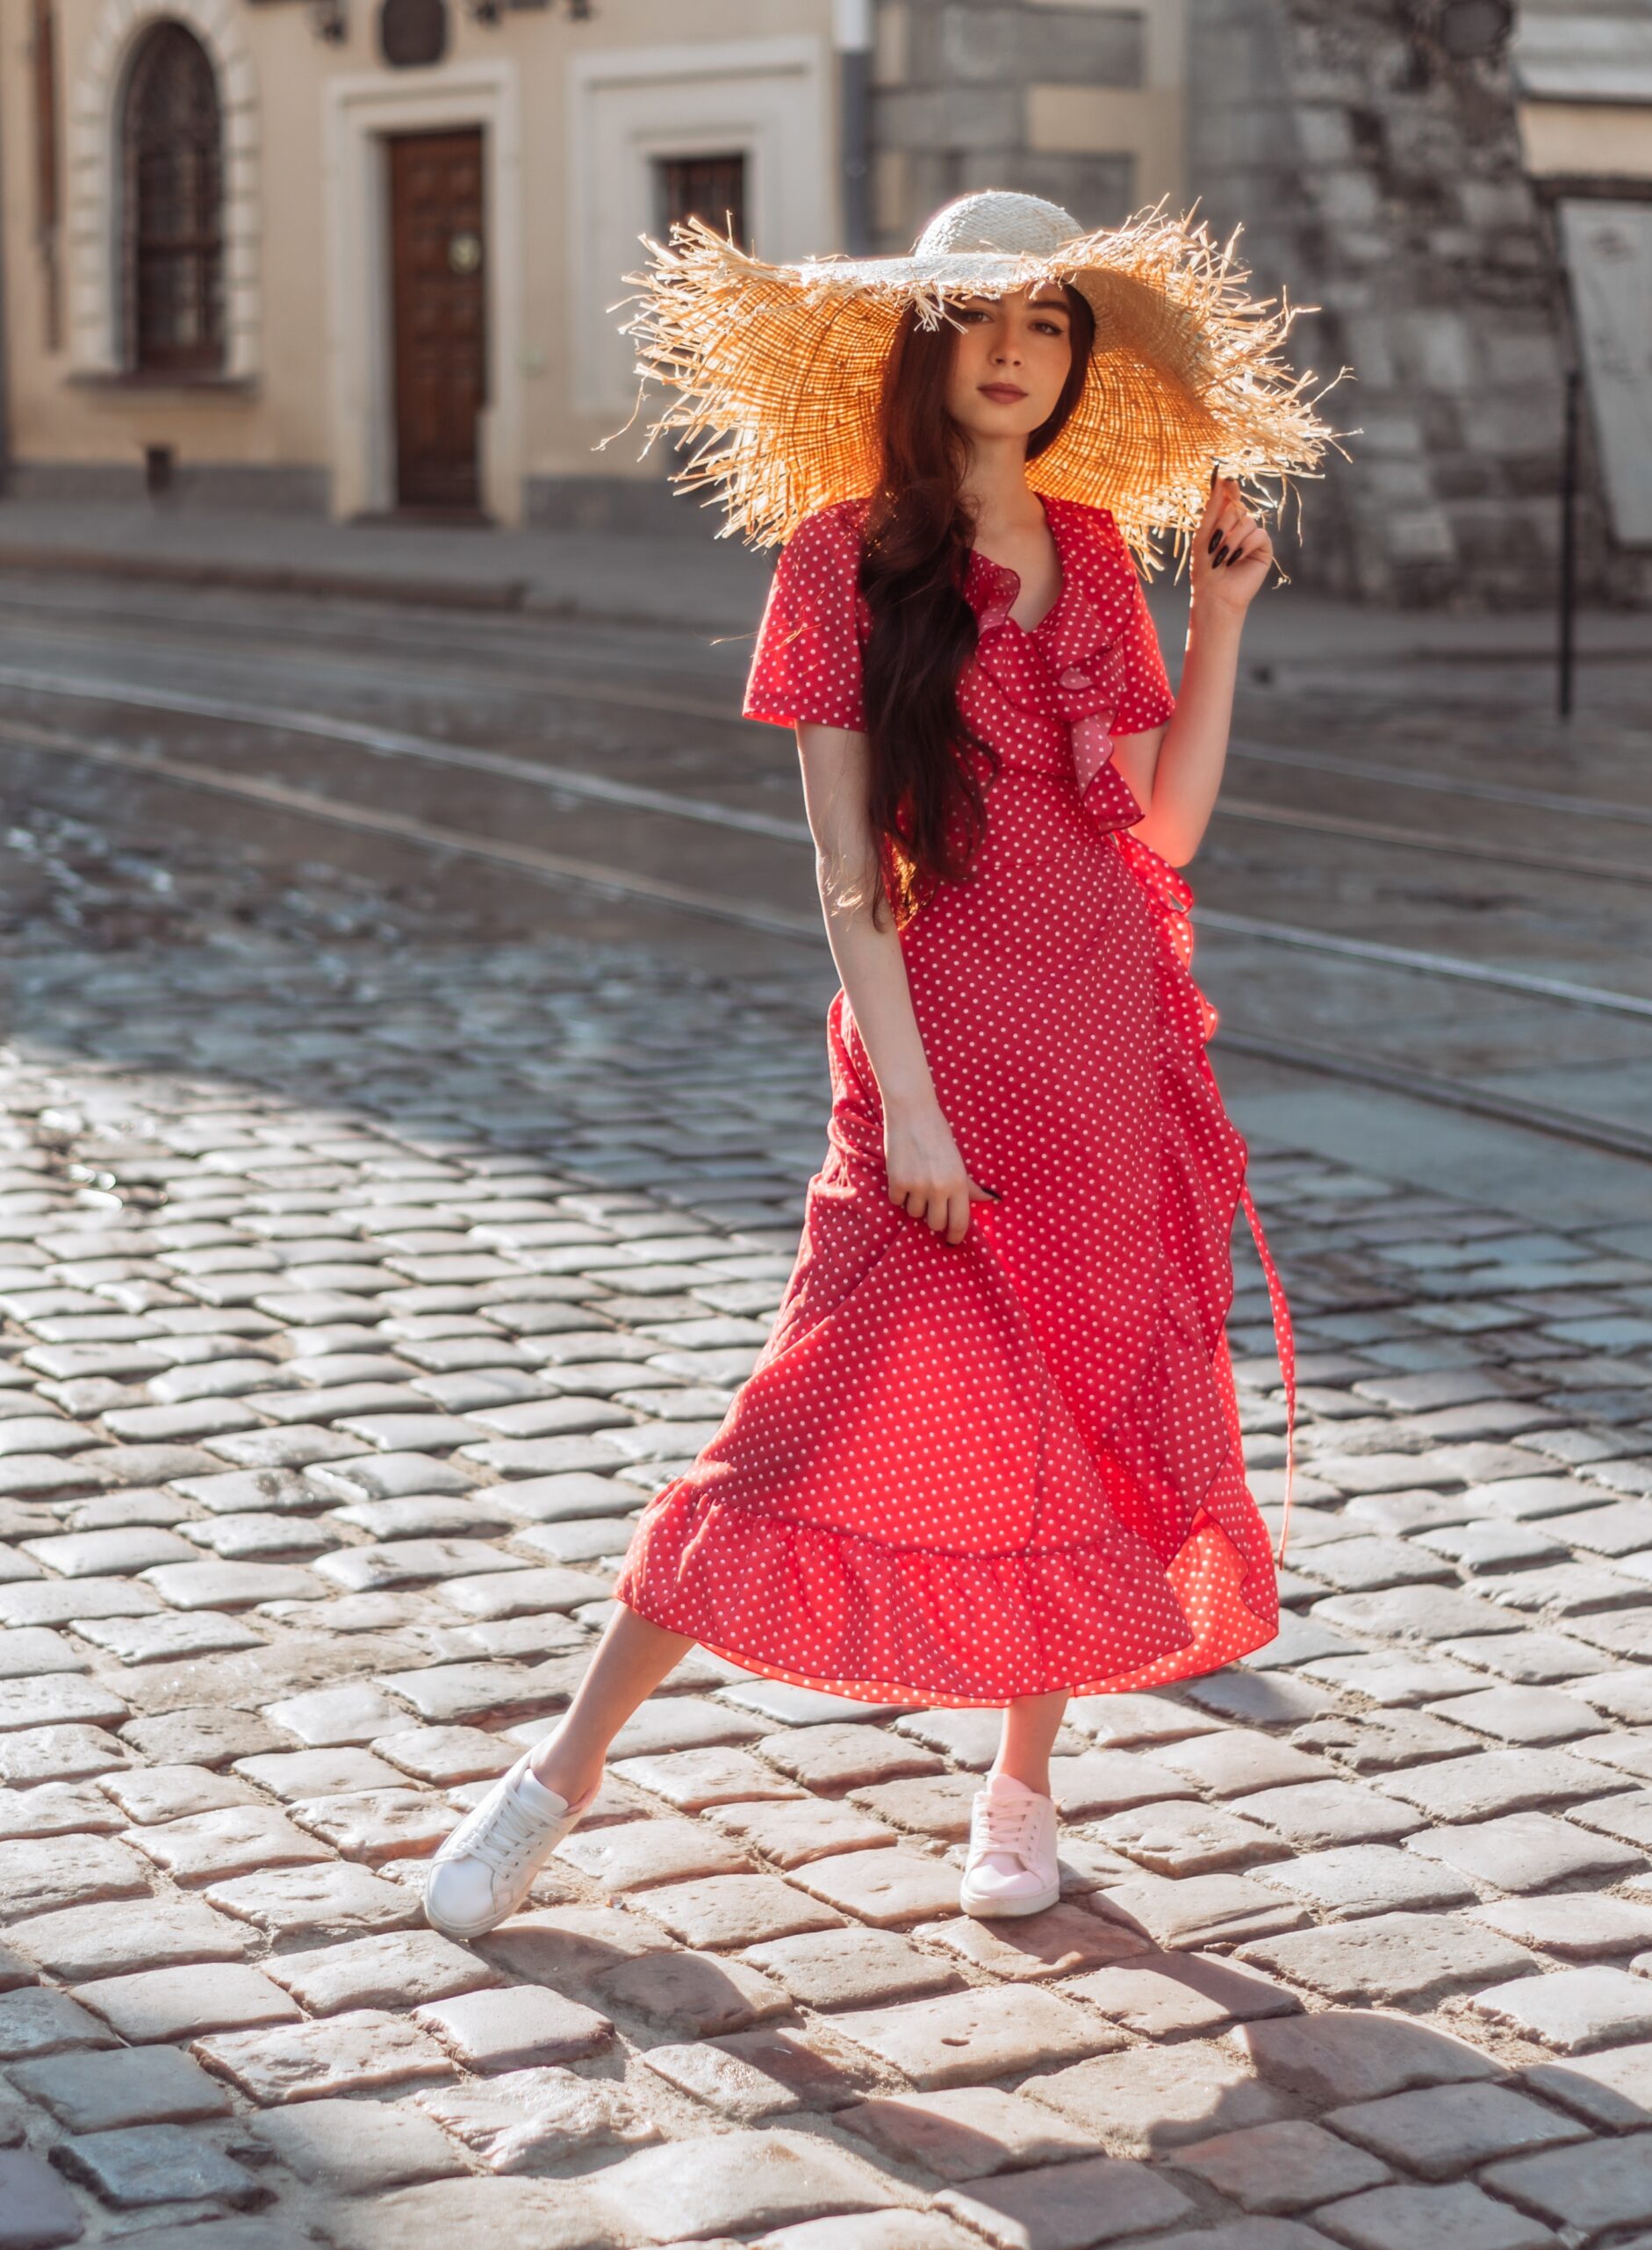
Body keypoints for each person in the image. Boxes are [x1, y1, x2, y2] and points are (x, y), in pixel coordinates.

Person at [424, 191, 1332, 1942]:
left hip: (1098, 1058)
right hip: (931, 1067)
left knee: (1076, 1422)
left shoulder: (1096, 548)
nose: (1016, 352)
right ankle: (559, 1769)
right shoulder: (839, 556)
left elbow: (1164, 826)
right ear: (925, 347)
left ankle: (1023, 1782)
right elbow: (848, 872)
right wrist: (906, 1097)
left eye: (1050, 325)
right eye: (983, 320)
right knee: (791, 1430)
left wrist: (1223, 615)